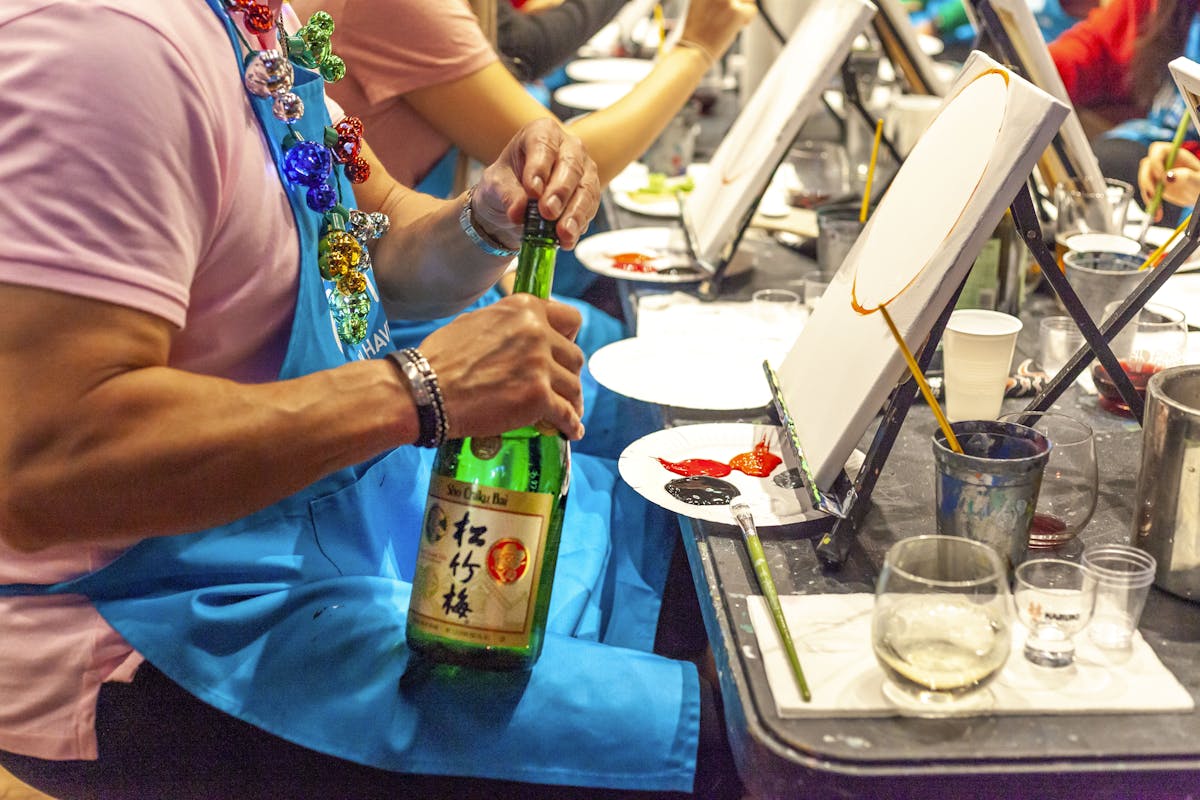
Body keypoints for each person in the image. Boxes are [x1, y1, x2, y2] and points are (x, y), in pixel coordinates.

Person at [0, 1, 741, 798]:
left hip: (336, 518)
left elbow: (373, 243)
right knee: (715, 739)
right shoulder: (106, 49)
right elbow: (44, 471)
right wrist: (419, 388)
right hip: (166, 614)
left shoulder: (255, 20)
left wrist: (484, 218)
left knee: (690, 563)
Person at [294, 0, 755, 457]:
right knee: (666, 409)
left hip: (419, 301)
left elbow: (389, 223)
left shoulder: (273, 34)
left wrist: (485, 227)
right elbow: (556, 166)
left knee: (666, 360)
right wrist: (694, 48)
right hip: (399, 339)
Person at [1048, 0, 1200, 202]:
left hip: (1183, 176)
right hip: (1160, 148)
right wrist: (1038, 71)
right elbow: (1099, 45)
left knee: (1111, 160)